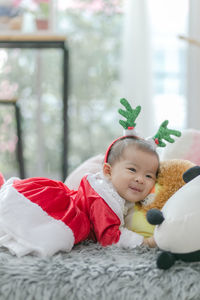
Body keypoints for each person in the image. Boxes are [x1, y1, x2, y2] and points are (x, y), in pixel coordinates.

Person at [0, 135, 158, 257]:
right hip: (62, 209)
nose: (140, 179)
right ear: (108, 172)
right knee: (31, 226)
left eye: (149, 176)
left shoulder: (119, 197)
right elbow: (109, 237)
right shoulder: (104, 198)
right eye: (132, 170)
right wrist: (145, 242)